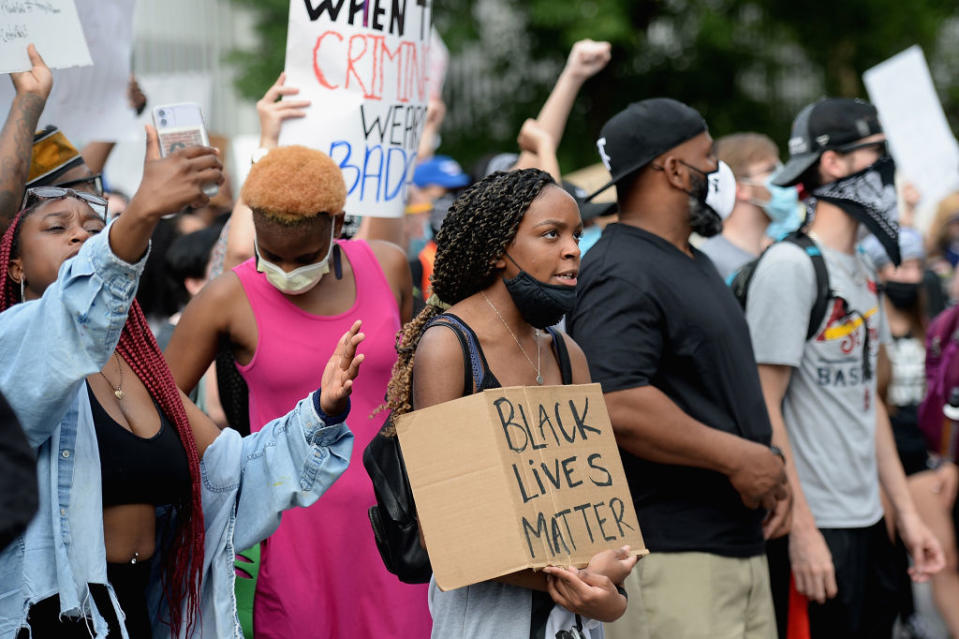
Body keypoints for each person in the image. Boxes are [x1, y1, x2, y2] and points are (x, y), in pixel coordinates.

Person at [0, 121, 364, 639]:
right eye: (57, 228)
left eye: (91, 226)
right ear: (14, 264)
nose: (81, 234)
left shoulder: (139, 367)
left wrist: (319, 412)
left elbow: (233, 472)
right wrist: (144, 210)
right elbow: (71, 314)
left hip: (143, 612)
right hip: (58, 617)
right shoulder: (14, 351)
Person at [165, 145, 423, 638]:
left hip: (396, 520)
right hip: (290, 529)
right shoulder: (227, 297)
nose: (286, 271)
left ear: (338, 222)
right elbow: (161, 396)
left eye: (304, 257)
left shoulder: (388, 265)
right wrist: (233, 461)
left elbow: (410, 383)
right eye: (272, 255)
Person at [567, 98, 788, 639]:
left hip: (731, 546)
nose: (718, 172)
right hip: (673, 556)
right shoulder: (621, 269)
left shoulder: (693, 259)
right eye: (709, 157)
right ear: (672, 168)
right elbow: (615, 402)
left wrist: (765, 463)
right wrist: (739, 457)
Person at [382, 168, 637, 638]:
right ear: (499, 249)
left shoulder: (566, 352)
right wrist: (579, 580)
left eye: (576, 235)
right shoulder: (448, 347)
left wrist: (607, 597)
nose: (573, 250)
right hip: (488, 622)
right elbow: (445, 530)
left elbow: (600, 513)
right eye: (551, 234)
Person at [745, 97, 944, 638]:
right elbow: (765, 408)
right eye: (876, 156)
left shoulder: (859, 269)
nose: (887, 172)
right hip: (817, 531)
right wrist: (804, 530)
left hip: (868, 523)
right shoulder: (790, 266)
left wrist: (905, 514)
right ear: (833, 163)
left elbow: (866, 401)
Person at [865, 229, 959, 638]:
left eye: (916, 266)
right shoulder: (866, 331)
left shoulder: (935, 329)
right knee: (882, 565)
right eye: (899, 266)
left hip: (920, 459)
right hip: (874, 463)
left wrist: (948, 459)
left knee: (944, 557)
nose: (909, 275)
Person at [699, 132, 800, 280]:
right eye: (770, 170)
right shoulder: (710, 263)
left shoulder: (777, 255)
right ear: (740, 188)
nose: (784, 177)